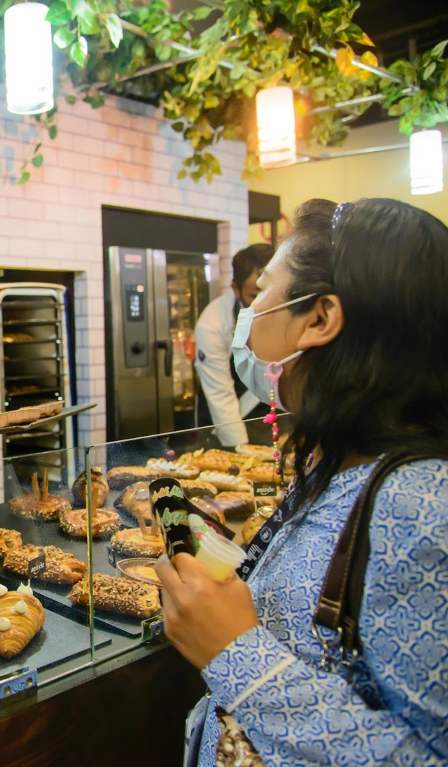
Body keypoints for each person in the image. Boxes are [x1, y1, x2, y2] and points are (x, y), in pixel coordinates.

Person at [157, 198, 448, 766]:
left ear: (319, 319)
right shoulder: (338, 463)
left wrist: (234, 653)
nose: (252, 308)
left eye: (263, 290)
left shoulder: (420, 505)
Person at [194, 243, 274, 447]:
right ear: (236, 289)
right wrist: (241, 450)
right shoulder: (213, 323)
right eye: (255, 296)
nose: (264, 304)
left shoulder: (286, 308)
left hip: (268, 412)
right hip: (225, 417)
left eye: (270, 293)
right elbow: (221, 396)